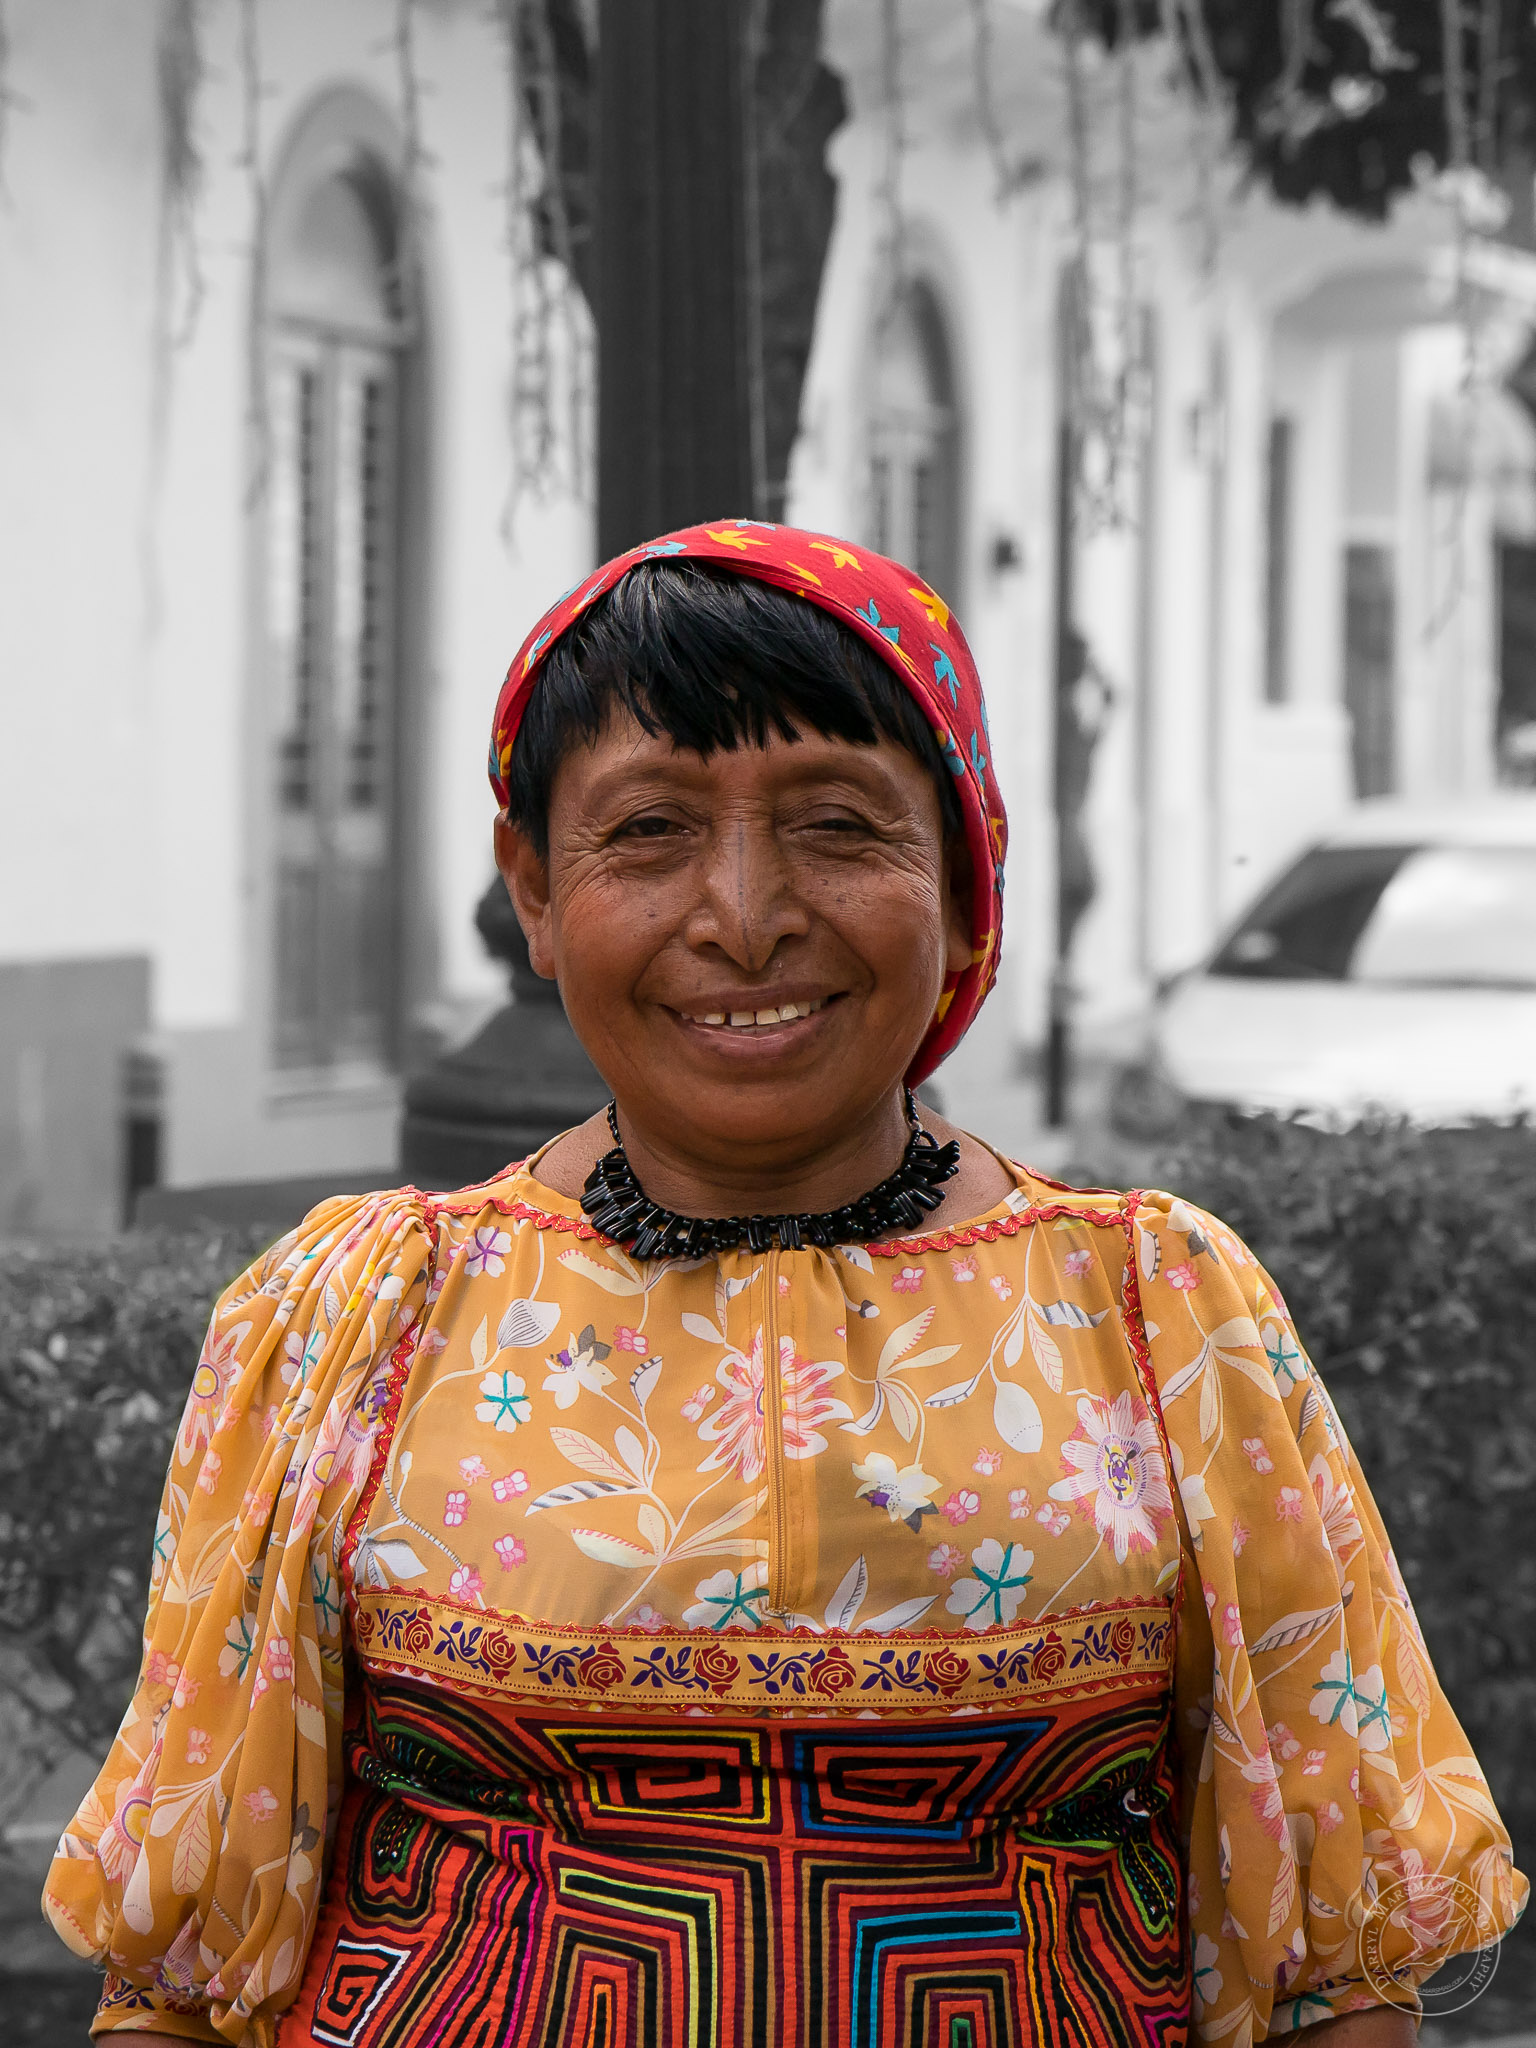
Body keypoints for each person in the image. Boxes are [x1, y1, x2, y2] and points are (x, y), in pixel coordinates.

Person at [45, 522, 1524, 2045]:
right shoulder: (362, 1319)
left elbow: (1340, 1974)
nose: (744, 913)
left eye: (836, 823)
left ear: (962, 879)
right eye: (648, 831)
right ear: (534, 891)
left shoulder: (1163, 1319)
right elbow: (180, 1979)